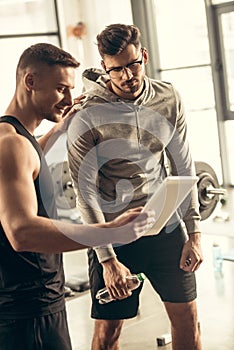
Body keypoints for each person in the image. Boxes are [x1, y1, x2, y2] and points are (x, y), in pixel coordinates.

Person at [0, 42, 155, 350]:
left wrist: (58, 130)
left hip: (35, 303)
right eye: (61, 89)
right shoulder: (11, 146)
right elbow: (22, 232)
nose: (69, 99)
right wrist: (111, 231)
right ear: (29, 82)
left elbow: (30, 161)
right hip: (28, 312)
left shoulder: (17, 138)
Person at [67, 24, 204, 350]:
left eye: (133, 64)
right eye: (117, 69)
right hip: (113, 233)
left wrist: (194, 233)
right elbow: (85, 191)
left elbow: (183, 166)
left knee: (188, 320)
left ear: (143, 55)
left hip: (164, 227)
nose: (128, 75)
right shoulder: (86, 115)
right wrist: (107, 259)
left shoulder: (168, 97)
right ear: (104, 68)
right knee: (108, 334)